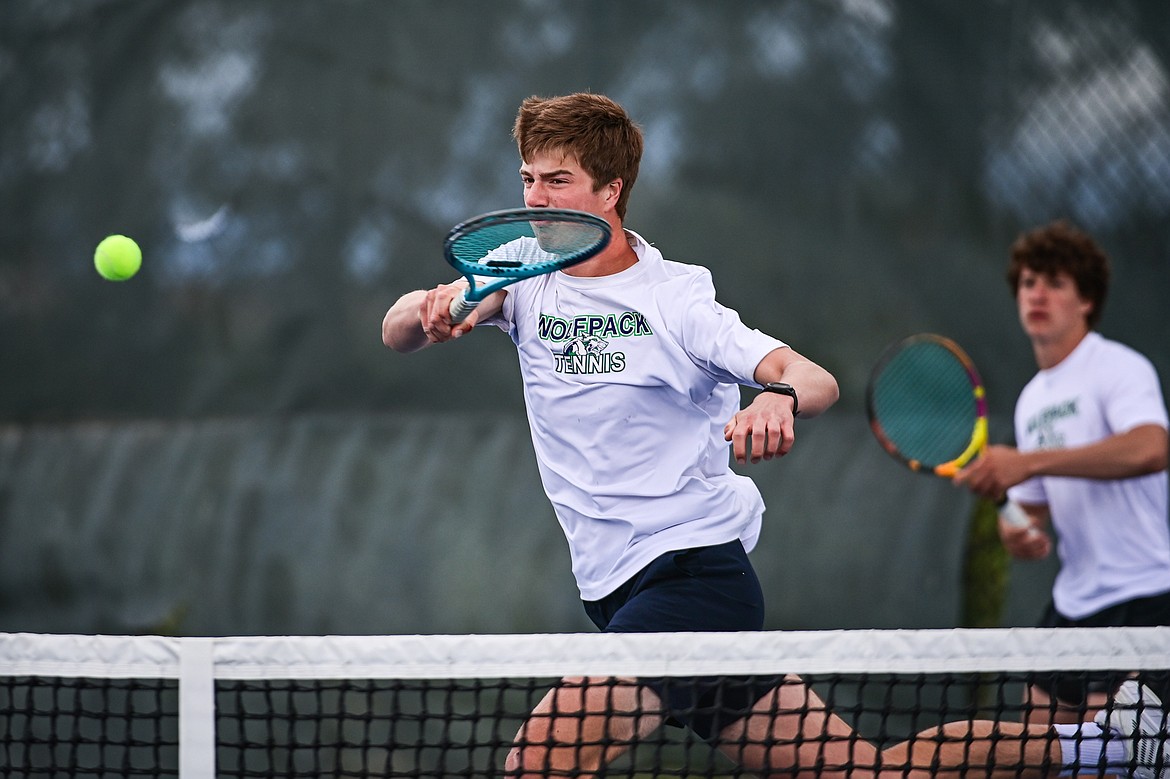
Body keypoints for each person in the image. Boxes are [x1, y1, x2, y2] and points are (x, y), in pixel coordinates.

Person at [382, 94, 1168, 778]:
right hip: (617, 591)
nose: (536, 196)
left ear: (611, 190)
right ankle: (1104, 750)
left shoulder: (677, 300)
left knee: (543, 756)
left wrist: (777, 400)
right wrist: (429, 311)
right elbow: (400, 331)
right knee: (869, 771)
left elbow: (812, 375)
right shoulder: (520, 267)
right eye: (527, 178)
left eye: (557, 180)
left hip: (690, 581)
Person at [955, 220, 1170, 726]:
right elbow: (1030, 511)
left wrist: (1025, 462)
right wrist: (1014, 526)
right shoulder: (1033, 399)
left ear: (1087, 300)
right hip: (1072, 603)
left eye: (1055, 283)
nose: (1038, 294)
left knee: (1110, 752)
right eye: (1029, 283)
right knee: (1039, 745)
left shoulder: (1119, 367)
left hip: (1142, 596)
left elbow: (1150, 448)